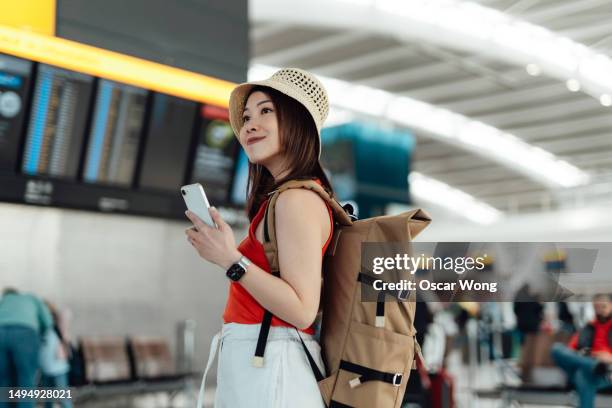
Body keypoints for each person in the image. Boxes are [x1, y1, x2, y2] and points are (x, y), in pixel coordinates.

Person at [187, 68, 333, 407]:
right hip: (265, 361)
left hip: (274, 366)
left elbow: (301, 310)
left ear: (298, 122)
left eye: (266, 111)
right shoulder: (283, 199)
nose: (249, 124)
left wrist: (230, 260)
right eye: (247, 115)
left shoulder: (297, 199)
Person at [551, 294, 612, 408]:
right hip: (590, 366)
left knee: (582, 375)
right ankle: (592, 365)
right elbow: (570, 352)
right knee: (557, 348)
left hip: (608, 373)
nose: (599, 311)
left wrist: (609, 358)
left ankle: (592, 366)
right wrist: (585, 356)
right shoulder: (588, 327)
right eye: (596, 308)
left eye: (603, 307)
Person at [0, 288, 53, 408]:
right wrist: (41, 337)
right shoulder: (31, 298)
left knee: (3, 380)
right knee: (26, 380)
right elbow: (48, 321)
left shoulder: (3, 300)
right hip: (25, 333)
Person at [39, 301, 72, 408]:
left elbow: (66, 314)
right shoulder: (40, 326)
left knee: (63, 397)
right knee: (48, 399)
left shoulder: (56, 325)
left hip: (58, 367)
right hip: (45, 367)